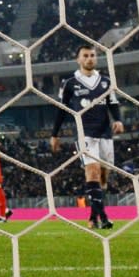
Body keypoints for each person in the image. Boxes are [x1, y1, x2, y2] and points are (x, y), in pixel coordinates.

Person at [50, 45, 123, 230]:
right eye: (85, 56)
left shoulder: (106, 81)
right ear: (78, 59)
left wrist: (118, 120)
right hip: (84, 133)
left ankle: (93, 216)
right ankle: (104, 217)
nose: (90, 58)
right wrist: (54, 134)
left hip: (105, 132)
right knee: (92, 172)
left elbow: (113, 103)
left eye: (92, 55)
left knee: (104, 176)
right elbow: (62, 110)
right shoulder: (69, 83)